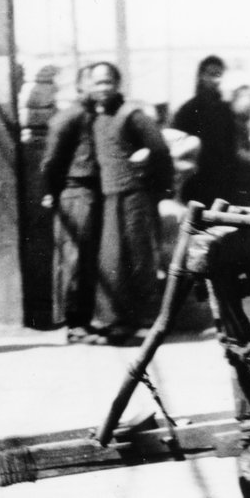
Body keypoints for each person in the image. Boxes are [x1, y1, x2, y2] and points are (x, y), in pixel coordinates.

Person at [83, 61, 174, 345]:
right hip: (109, 197)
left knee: (136, 258)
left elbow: (159, 149)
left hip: (134, 196)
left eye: (107, 82)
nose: (102, 88)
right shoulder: (95, 116)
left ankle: (138, 322)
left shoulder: (131, 115)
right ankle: (112, 322)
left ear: (117, 84)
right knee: (111, 261)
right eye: (97, 83)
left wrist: (157, 186)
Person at [41, 64, 105, 344]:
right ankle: (74, 324)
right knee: (74, 260)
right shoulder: (71, 116)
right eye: (94, 82)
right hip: (76, 191)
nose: (101, 88)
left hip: (95, 192)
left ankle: (85, 320)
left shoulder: (96, 116)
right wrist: (52, 192)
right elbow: (51, 161)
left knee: (90, 261)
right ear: (81, 87)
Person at [171, 55, 243, 206]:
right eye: (212, 74)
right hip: (196, 182)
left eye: (219, 75)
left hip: (223, 182)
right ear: (201, 76)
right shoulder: (188, 109)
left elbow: (231, 148)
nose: (216, 80)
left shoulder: (225, 109)